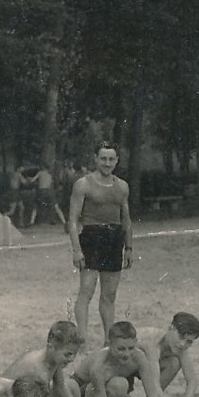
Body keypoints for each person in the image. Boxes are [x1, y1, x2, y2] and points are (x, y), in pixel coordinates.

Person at [1, 320, 108, 397]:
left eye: (74, 354)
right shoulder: (37, 369)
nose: (72, 359)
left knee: (72, 386)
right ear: (50, 347)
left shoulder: (52, 359)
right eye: (68, 354)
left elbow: (61, 386)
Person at [67, 141, 133, 344]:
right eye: (103, 158)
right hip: (91, 238)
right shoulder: (83, 184)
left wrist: (129, 247)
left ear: (116, 161)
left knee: (109, 295)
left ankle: (108, 340)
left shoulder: (122, 186)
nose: (107, 163)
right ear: (95, 159)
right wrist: (77, 250)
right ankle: (83, 340)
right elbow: (72, 220)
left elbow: (126, 219)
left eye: (111, 159)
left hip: (114, 240)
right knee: (86, 291)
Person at [67, 320, 164, 397]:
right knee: (120, 384)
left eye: (131, 348)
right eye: (121, 349)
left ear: (136, 342)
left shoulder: (139, 357)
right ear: (109, 344)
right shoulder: (99, 366)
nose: (127, 354)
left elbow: (153, 394)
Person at [136, 312, 199, 397]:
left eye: (189, 341)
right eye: (181, 337)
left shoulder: (179, 347)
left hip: (143, 367)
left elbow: (192, 380)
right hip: (122, 365)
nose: (183, 344)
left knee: (174, 363)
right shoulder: (153, 341)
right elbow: (154, 383)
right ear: (171, 328)